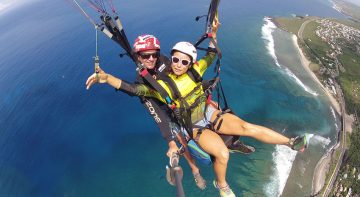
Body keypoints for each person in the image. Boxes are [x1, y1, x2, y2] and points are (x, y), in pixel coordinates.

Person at [85, 19, 308, 197]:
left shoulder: (193, 69)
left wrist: (213, 33)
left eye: (184, 61)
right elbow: (136, 91)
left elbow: (210, 55)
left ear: (189, 62)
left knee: (246, 127)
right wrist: (107, 78)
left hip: (208, 111)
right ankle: (221, 185)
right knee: (221, 153)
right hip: (192, 124)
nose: (179, 64)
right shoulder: (158, 85)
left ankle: (290, 142)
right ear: (170, 59)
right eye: (175, 60)